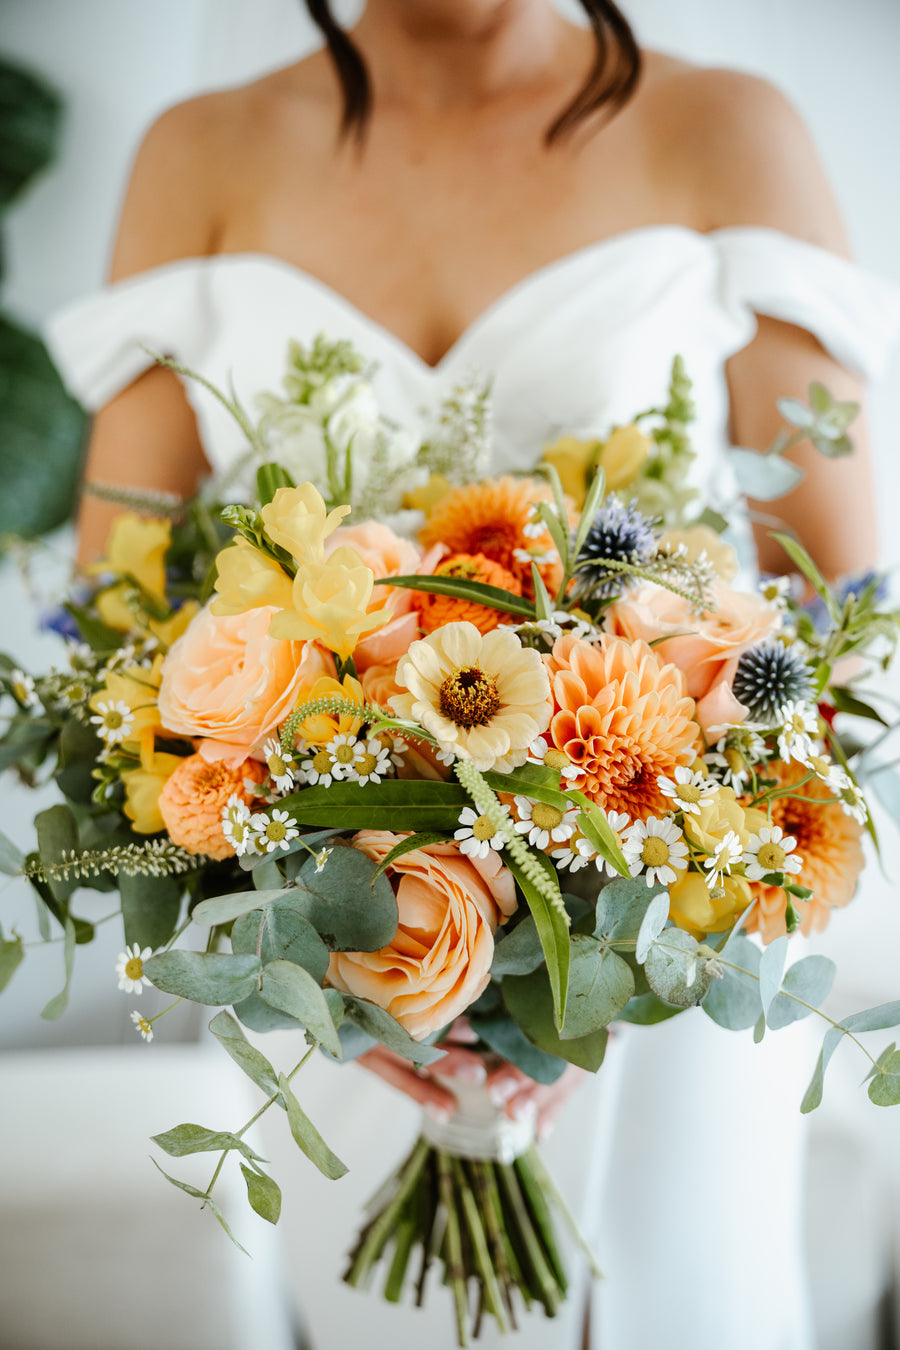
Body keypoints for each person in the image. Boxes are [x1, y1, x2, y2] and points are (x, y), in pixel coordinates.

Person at [48, 2, 900, 1346]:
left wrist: (630, 941)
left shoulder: (732, 131)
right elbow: (122, 618)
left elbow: (842, 616)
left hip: (674, 954)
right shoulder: (199, 153)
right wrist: (321, 947)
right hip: (341, 968)